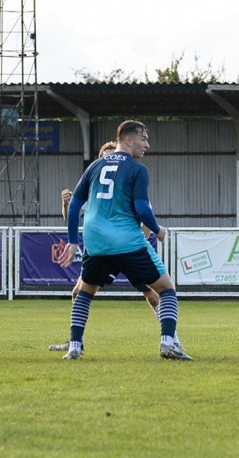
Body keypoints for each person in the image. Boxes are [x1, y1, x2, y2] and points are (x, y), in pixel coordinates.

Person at [54, 120, 191, 360]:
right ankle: (169, 343)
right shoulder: (137, 169)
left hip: (95, 240)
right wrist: (157, 229)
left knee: (84, 292)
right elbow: (141, 208)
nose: (147, 144)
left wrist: (73, 241)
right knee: (166, 289)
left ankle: (75, 346)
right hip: (125, 240)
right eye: (144, 139)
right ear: (128, 140)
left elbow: (75, 204)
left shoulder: (95, 166)